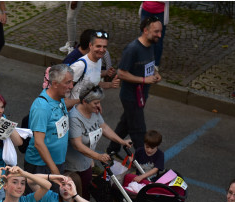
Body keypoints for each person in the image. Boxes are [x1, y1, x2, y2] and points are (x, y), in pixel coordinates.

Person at [64, 84, 131, 202]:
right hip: (74, 165)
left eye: (99, 102)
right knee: (77, 193)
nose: (99, 106)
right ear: (84, 102)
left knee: (86, 190)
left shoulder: (94, 111)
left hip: (87, 161)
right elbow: (77, 145)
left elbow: (104, 127)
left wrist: (121, 141)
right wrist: (99, 156)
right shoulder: (75, 118)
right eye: (96, 103)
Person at [107, 16, 162, 155]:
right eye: (156, 32)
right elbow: (121, 73)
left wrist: (155, 73)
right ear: (145, 30)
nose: (159, 35)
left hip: (142, 95)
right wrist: (144, 80)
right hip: (131, 97)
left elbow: (149, 64)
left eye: (160, 31)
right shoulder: (132, 49)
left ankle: (112, 150)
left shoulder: (151, 45)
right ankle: (142, 161)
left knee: (125, 124)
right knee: (139, 130)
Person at [24, 64, 78, 180]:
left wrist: (82, 100)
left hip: (56, 162)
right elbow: (38, 143)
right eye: (68, 82)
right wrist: (54, 170)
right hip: (41, 166)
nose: (71, 86)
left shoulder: (59, 98)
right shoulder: (42, 107)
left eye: (72, 82)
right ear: (55, 84)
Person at [68, 30, 119, 99]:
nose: (102, 50)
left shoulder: (99, 60)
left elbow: (95, 83)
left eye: (104, 47)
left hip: (90, 108)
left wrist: (111, 84)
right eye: (98, 46)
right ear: (90, 45)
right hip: (76, 109)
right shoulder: (79, 66)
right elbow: (63, 90)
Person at [140, 2, 169, 69]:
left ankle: (155, 64)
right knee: (144, 37)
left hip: (160, 13)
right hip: (146, 10)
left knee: (157, 39)